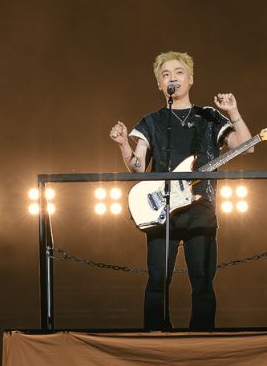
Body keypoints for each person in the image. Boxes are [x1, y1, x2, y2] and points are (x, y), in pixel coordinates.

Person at [109, 51, 254, 330]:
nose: (172, 78)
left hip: (200, 207)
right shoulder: (151, 121)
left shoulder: (209, 117)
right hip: (161, 209)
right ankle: (156, 334)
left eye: (178, 72)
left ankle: (202, 337)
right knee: (157, 281)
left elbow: (246, 147)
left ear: (190, 79)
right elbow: (138, 168)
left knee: (202, 281)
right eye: (165, 75)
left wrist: (233, 111)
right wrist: (123, 144)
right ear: (159, 84)